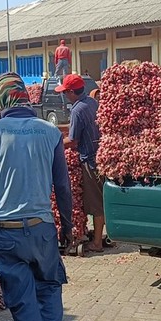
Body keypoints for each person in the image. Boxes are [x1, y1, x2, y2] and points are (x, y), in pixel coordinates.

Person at [0, 72, 73, 321]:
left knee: (25, 311)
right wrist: (68, 227)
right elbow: (63, 187)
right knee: (49, 299)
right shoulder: (49, 132)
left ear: (2, 99)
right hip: (43, 232)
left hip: (7, 235)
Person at [54, 74, 107, 252]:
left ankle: (97, 242)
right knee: (99, 198)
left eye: (65, 92)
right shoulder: (92, 102)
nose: (64, 95)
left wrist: (54, 143)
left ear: (71, 92)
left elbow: (74, 140)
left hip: (90, 159)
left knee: (97, 202)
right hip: (99, 155)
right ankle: (98, 235)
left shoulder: (77, 109)